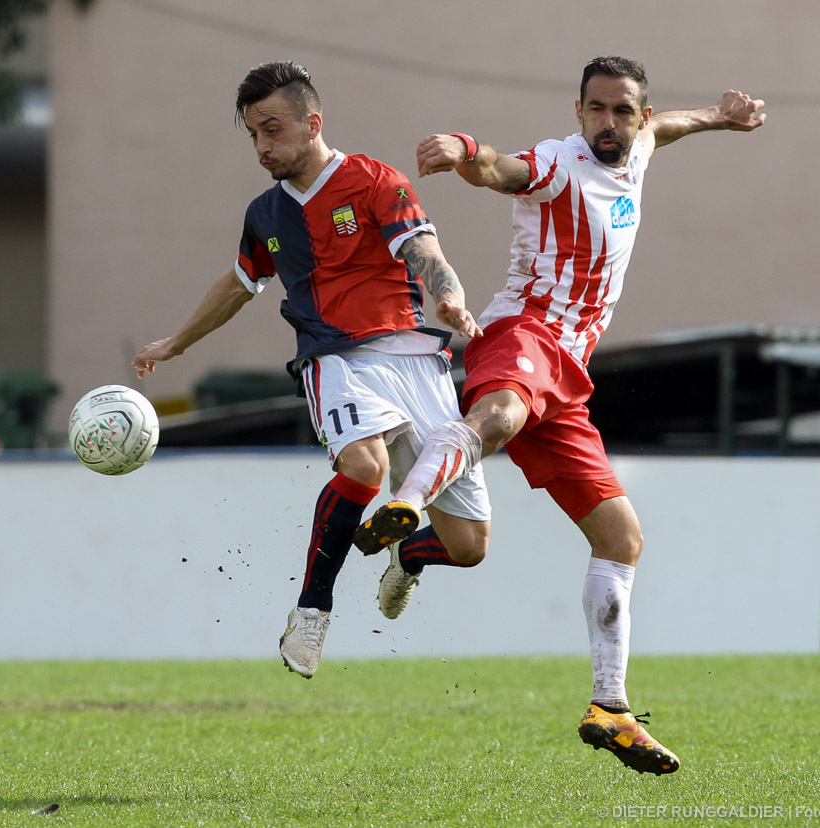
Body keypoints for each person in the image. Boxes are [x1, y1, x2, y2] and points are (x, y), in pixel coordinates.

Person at [355, 56, 766, 775]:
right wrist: (462, 150)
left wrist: (719, 118)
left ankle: (610, 707)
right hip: (521, 333)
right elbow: (503, 170)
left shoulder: (638, 147)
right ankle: (407, 502)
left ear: (636, 115)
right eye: (597, 109)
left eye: (623, 111)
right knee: (502, 415)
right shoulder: (561, 162)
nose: (610, 123)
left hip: (569, 374)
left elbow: (670, 127)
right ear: (578, 112)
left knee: (621, 538)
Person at [131, 60, 492, 680]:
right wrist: (178, 342)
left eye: (271, 129)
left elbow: (424, 249)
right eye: (252, 134)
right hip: (335, 359)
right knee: (364, 465)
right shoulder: (265, 214)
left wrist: (450, 295)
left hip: (417, 360)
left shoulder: (376, 180)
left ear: (312, 122)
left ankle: (408, 556)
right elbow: (242, 281)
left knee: (469, 548)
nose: (261, 146)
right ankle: (312, 611)